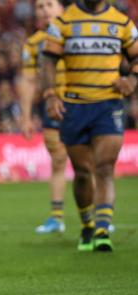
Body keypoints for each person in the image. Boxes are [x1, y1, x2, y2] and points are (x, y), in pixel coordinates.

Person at [41, 0, 138, 251]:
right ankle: (87, 225)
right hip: (74, 106)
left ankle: (103, 230)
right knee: (82, 171)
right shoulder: (62, 23)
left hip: (109, 105)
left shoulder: (122, 23)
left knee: (105, 167)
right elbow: (48, 61)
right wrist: (51, 95)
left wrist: (133, 80)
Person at [18, 0, 68, 234]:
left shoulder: (74, 34)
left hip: (82, 103)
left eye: (50, 4)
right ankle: (56, 217)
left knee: (88, 161)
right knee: (57, 159)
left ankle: (98, 218)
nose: (45, 10)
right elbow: (28, 81)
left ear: (61, 8)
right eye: (40, 6)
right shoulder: (33, 44)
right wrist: (26, 117)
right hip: (51, 105)